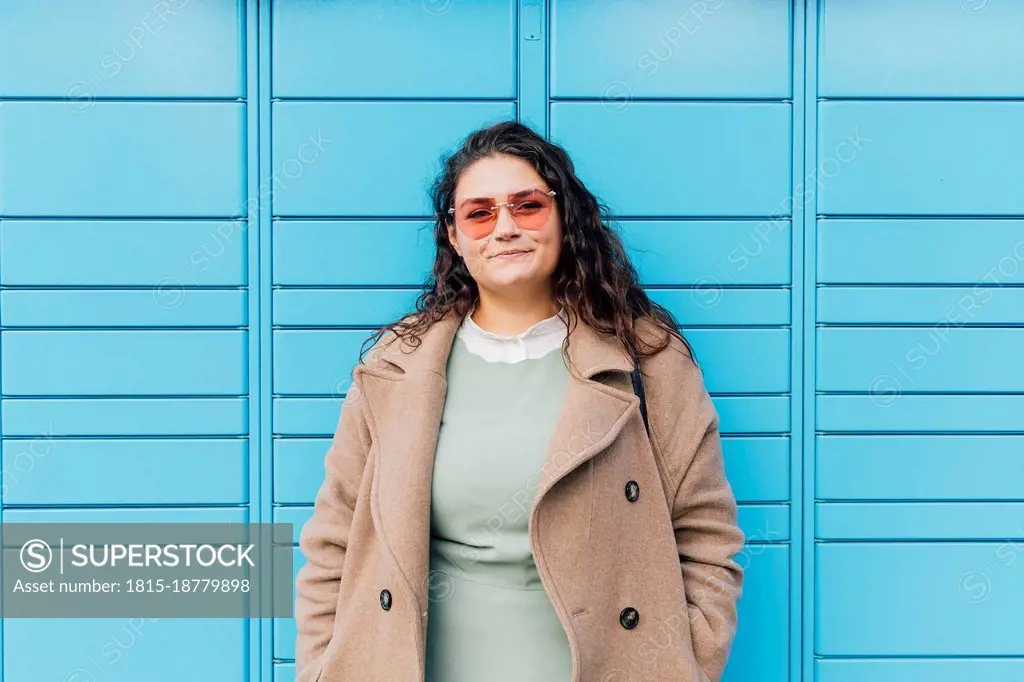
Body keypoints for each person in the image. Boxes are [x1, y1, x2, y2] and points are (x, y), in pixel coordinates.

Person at [293, 120, 745, 682]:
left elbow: (705, 535)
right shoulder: (395, 368)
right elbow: (333, 541)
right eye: (479, 213)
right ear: (455, 237)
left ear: (564, 217)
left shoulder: (648, 360)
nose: (504, 227)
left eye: (527, 205)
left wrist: (683, 666)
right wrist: (322, 668)